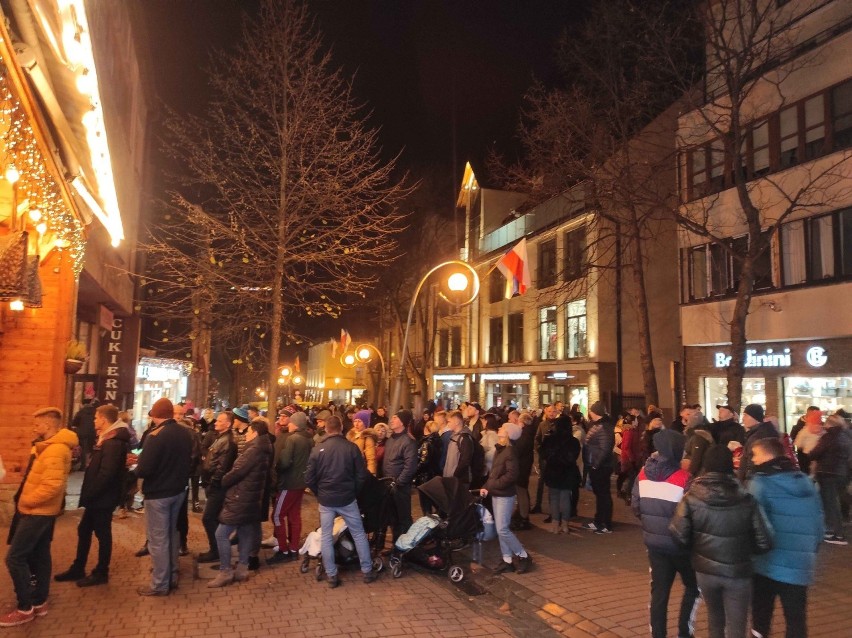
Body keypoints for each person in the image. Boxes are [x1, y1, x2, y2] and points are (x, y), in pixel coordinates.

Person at [670, 445, 772, 638]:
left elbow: (678, 535)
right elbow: (764, 542)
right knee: (737, 625)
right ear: (730, 466)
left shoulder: (691, 498)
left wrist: (697, 548)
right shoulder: (746, 499)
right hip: (738, 572)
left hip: (705, 571)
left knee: (714, 619)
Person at [1, 408, 78, 627]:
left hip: (37, 512)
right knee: (41, 554)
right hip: (42, 512)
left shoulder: (54, 450)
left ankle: (25, 608)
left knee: (15, 558)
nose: (34, 427)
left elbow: (52, 486)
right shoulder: (46, 447)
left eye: (37, 424)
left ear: (47, 425)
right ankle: (40, 601)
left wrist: (27, 501)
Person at [747, 437, 824, 638]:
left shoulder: (760, 483)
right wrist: (810, 550)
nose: (753, 460)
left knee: (761, 618)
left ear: (766, 455)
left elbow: (753, 525)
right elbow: (818, 522)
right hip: (800, 563)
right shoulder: (806, 482)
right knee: (796, 619)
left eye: (755, 455)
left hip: (766, 563)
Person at [54, 404, 130, 587]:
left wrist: (91, 493)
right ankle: (78, 567)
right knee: (84, 530)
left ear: (104, 419)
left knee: (103, 534)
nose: (94, 421)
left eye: (96, 418)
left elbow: (107, 473)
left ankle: (101, 572)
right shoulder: (107, 438)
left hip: (102, 498)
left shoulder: (112, 442)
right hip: (98, 497)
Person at [632, 428, 698, 638]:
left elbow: (636, 507)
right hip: (680, 546)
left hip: (654, 545)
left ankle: (658, 634)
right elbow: (691, 514)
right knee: (693, 587)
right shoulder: (684, 478)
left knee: (659, 593)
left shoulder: (642, 475)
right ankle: (684, 632)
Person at [304, 416, 379, 587]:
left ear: (327, 429)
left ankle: (332, 575)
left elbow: (309, 478)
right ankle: (367, 571)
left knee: (326, 536)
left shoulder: (318, 449)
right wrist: (353, 491)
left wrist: (319, 492)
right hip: (347, 498)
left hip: (326, 499)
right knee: (359, 533)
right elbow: (361, 475)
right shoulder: (351, 448)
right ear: (341, 429)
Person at [134, 398, 195, 596]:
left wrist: (134, 467)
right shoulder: (185, 434)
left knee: (158, 539)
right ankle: (173, 573)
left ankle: (160, 583)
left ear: (155, 415)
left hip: (159, 493)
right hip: (178, 491)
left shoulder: (155, 436)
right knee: (171, 533)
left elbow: (145, 468)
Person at [208, 420, 273, 587]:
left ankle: (225, 571)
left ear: (255, 433)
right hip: (251, 497)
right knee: (245, 532)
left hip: (241, 497)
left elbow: (238, 471)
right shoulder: (264, 447)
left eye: (249, 432)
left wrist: (224, 480)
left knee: (221, 534)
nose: (247, 435)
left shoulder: (254, 450)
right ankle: (242, 569)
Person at [480, 422, 532, 574]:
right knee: (501, 528)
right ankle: (507, 559)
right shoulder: (500, 450)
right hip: (497, 493)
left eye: (502, 428)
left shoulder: (509, 452)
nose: (499, 429)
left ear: (508, 433)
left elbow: (511, 475)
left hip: (504, 495)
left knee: (502, 529)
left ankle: (523, 555)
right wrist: (486, 486)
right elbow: (494, 474)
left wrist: (493, 485)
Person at [268, 411, 314, 564]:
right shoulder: (309, 440)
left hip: (289, 483)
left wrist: (277, 467)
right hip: (301, 483)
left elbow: (285, 462)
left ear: (295, 424)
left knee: (277, 515)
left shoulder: (292, 439)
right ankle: (294, 548)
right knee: (294, 516)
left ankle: (283, 549)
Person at [197, 411, 237, 563]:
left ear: (228, 424)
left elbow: (222, 466)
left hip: (217, 486)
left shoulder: (227, 441)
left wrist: (213, 482)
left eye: (220, 421)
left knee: (209, 518)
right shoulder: (220, 438)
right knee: (213, 518)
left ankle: (216, 550)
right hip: (213, 484)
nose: (216, 423)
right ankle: (217, 548)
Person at [807, 413, 851, 545]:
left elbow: (815, 453)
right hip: (842, 473)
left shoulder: (828, 437)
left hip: (828, 473)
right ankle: (834, 530)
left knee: (831, 504)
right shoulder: (847, 435)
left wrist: (811, 454)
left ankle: (837, 534)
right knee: (838, 501)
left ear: (830, 424)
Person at [539, 415, 581, 533]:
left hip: (553, 471)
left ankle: (555, 524)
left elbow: (543, 454)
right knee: (566, 497)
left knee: (554, 498)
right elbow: (574, 457)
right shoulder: (573, 441)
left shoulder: (550, 439)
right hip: (567, 471)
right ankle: (565, 524)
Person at [382, 409, 418, 541]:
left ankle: (408, 547)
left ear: (403, 422)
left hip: (400, 487)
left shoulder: (408, 441)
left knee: (404, 518)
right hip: (388, 485)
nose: (391, 420)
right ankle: (396, 546)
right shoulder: (391, 439)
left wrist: (398, 482)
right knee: (393, 518)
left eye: (395, 418)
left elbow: (410, 466)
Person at [582, 401, 615, 534]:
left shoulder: (604, 427)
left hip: (601, 466)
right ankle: (598, 520)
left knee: (603, 495)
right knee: (600, 495)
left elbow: (605, 448)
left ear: (595, 412)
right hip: (596, 465)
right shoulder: (598, 425)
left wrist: (596, 464)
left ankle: (606, 524)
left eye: (591, 410)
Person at [738, 403, 778, 480]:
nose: (743, 419)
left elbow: (751, 462)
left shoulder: (758, 436)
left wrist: (745, 480)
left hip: (755, 479)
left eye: (746, 415)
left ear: (754, 417)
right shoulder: (760, 432)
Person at [531, 403, 558, 515]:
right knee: (541, 482)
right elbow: (537, 439)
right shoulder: (542, 425)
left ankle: (553, 510)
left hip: (555, 459)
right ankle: (538, 505)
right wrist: (540, 450)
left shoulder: (559, 425)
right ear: (545, 412)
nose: (551, 413)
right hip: (544, 459)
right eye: (549, 411)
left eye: (553, 412)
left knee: (553, 484)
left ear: (556, 413)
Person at [511, 411, 536, 530]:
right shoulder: (528, 434)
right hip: (524, 466)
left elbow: (518, 451)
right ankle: (522, 514)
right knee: (522, 491)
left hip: (522, 467)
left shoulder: (524, 435)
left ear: (522, 422)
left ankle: (524, 516)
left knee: (521, 492)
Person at [443, 410, 474, 490]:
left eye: (449, 421)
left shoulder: (464, 438)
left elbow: (465, 460)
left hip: (460, 480)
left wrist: (455, 474)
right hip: (452, 479)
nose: (447, 424)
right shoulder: (454, 437)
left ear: (456, 422)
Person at [347, 409, 378, 475]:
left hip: (359, 471)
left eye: (360, 421)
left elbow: (371, 458)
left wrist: (371, 474)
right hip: (349, 469)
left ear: (365, 423)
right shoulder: (350, 435)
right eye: (355, 421)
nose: (356, 424)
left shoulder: (367, 437)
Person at [71, 398, 97, 470]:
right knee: (91, 448)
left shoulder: (81, 412)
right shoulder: (95, 412)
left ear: (82, 404)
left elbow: (74, 423)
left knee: (83, 449)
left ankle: (83, 466)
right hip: (93, 432)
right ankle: (90, 464)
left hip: (82, 433)